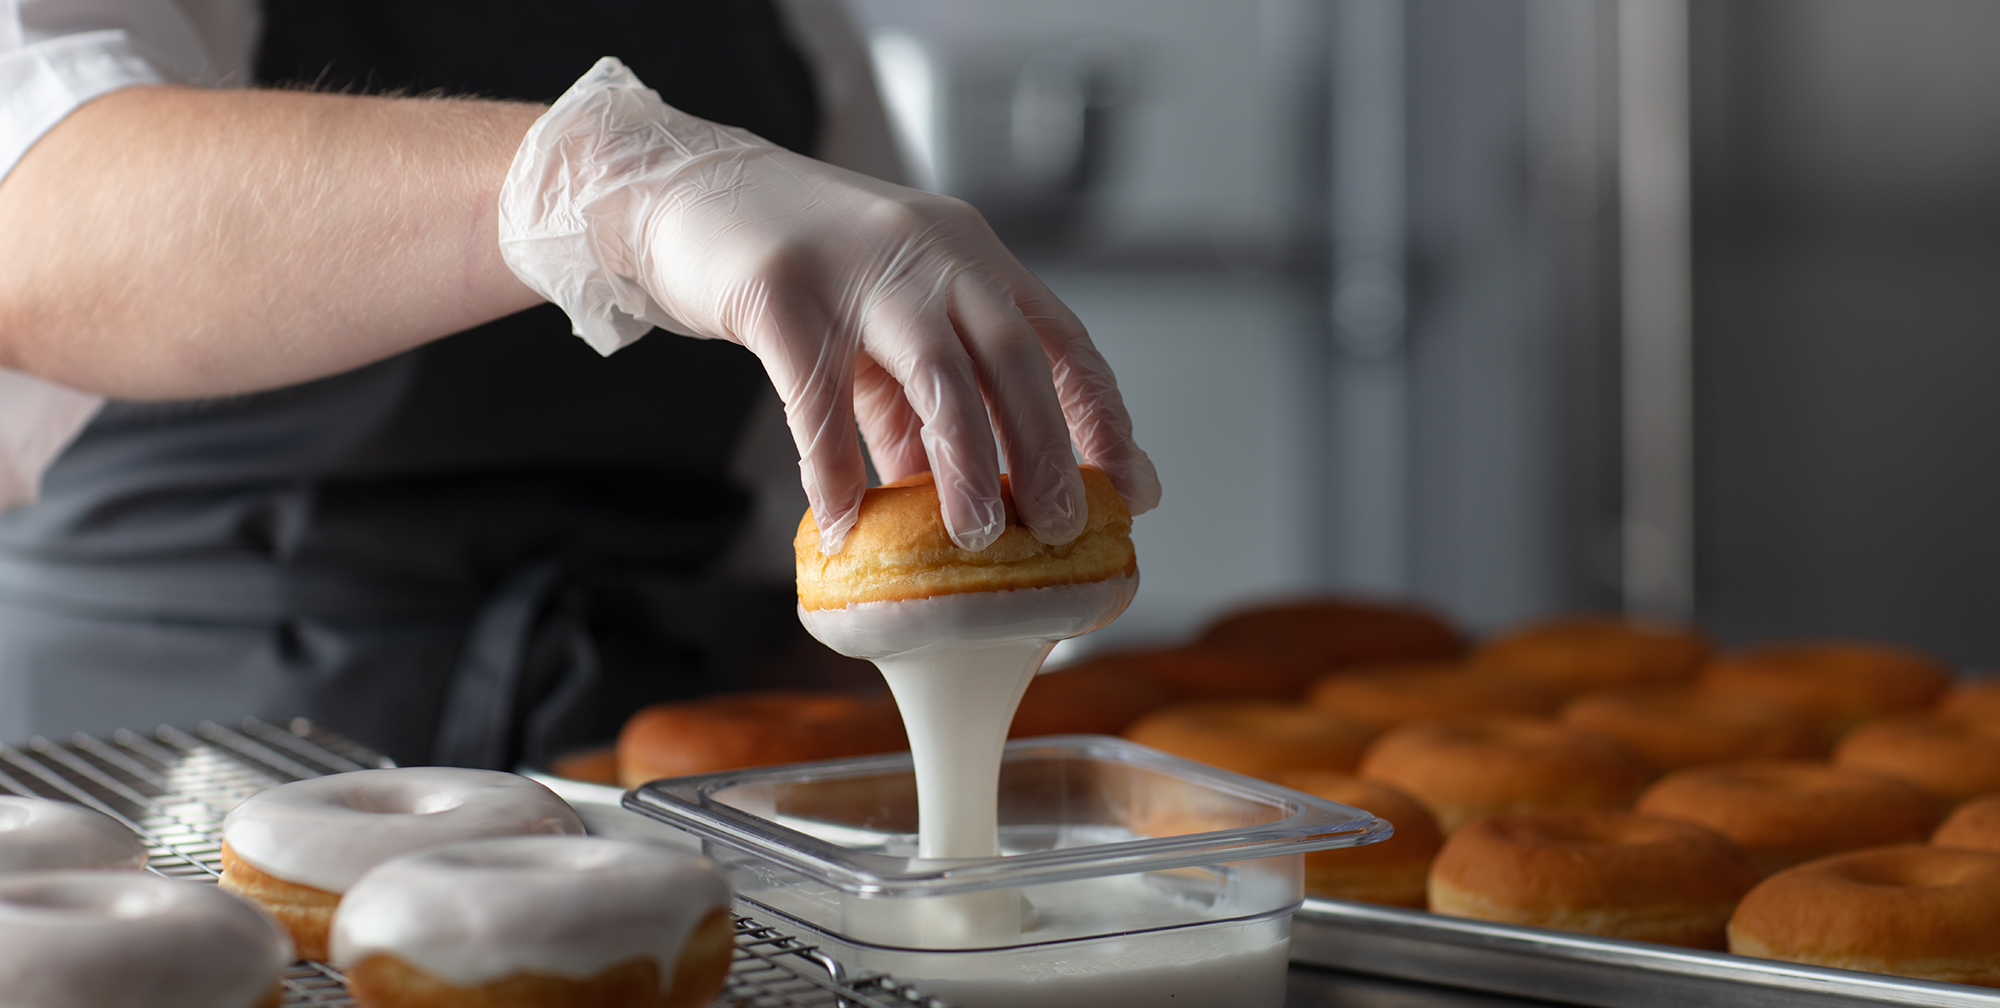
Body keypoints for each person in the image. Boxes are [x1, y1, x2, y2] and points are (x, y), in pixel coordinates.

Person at [0, 0, 1159, 768]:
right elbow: (39, 213)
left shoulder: (785, 22)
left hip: (641, 781)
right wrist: (614, 190)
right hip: (192, 779)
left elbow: (817, 494)